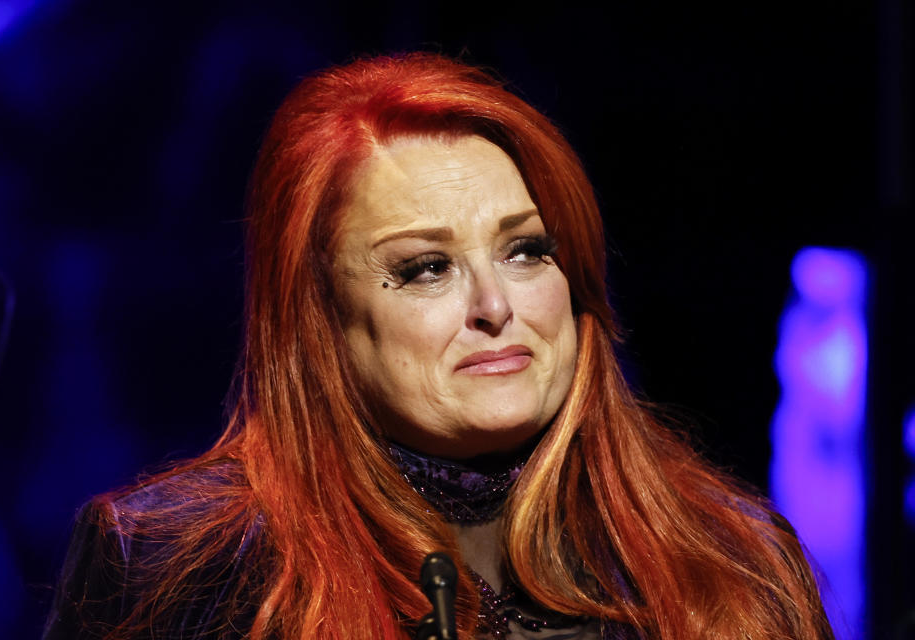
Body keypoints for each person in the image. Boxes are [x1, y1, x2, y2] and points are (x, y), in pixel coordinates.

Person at [43, 53, 834, 640]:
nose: (496, 306)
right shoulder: (177, 565)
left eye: (527, 251)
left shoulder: (733, 557)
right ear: (317, 316)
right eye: (426, 268)